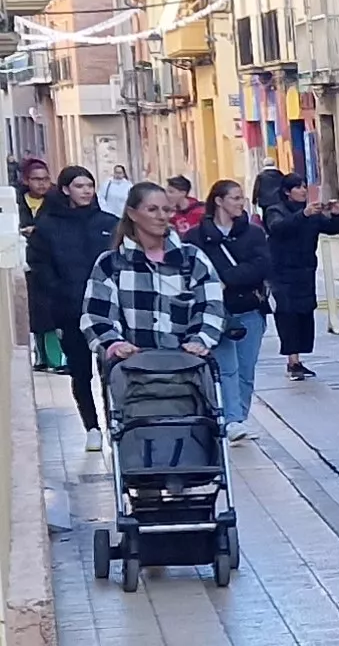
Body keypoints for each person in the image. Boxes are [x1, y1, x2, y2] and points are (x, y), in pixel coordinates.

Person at [82, 182, 225, 368]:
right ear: (133, 214)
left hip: (186, 369)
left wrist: (199, 340)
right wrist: (114, 344)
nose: (161, 216)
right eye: (152, 209)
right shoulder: (111, 263)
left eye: (166, 210)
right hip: (132, 371)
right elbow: (96, 314)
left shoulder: (192, 259)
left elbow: (211, 306)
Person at [27, 166, 116, 451]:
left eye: (89, 185)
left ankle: (116, 421)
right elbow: (40, 266)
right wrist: (60, 291)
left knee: (112, 369)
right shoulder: (49, 226)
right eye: (79, 186)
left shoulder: (109, 223)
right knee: (80, 371)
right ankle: (91, 426)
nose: (86, 191)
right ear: (65, 189)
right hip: (71, 310)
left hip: (108, 313)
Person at [186, 179, 271, 440]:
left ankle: (240, 417)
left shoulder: (253, 233)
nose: (240, 202)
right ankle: (232, 420)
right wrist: (214, 284)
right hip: (215, 314)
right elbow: (191, 270)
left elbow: (262, 265)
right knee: (227, 368)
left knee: (246, 369)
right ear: (219, 200)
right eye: (234, 198)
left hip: (249, 309)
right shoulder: (195, 237)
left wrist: (228, 279)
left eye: (241, 198)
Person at [262, 174, 339, 381]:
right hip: (282, 272)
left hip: (305, 271)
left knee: (304, 313)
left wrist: (337, 214)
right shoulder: (275, 210)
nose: (302, 191)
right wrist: (304, 215)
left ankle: (298, 360)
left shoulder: (311, 214)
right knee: (287, 315)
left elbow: (334, 228)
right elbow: (278, 228)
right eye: (297, 188)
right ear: (286, 192)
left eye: (303, 187)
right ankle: (292, 362)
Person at [16, 159, 64, 373]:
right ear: (26, 181)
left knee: (51, 314)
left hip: (50, 262)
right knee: (34, 314)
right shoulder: (18, 201)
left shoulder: (56, 201)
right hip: (25, 262)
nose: (42, 184)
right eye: (36, 179)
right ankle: (41, 357)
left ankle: (57, 359)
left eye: (45, 179)